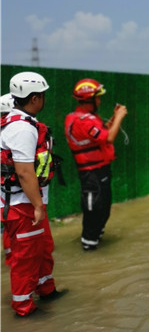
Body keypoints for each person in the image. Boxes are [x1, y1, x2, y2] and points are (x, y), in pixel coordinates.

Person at [1, 72, 65, 317]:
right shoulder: (22, 128)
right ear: (35, 98)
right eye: (43, 95)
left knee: (40, 249)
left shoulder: (15, 122)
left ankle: (45, 289)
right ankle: (24, 308)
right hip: (21, 204)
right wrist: (38, 205)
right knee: (25, 257)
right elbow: (25, 172)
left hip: (20, 201)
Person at [64, 78, 128, 251]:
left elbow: (102, 132)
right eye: (97, 97)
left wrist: (114, 118)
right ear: (88, 99)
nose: (100, 101)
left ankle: (95, 241)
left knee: (104, 210)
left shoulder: (89, 118)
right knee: (94, 212)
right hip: (91, 174)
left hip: (101, 171)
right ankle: (89, 248)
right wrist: (120, 117)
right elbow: (108, 137)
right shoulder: (82, 120)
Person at [1, 93, 15, 266]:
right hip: (13, 192)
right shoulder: (15, 132)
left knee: (8, 226)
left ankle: (10, 258)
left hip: (7, 193)